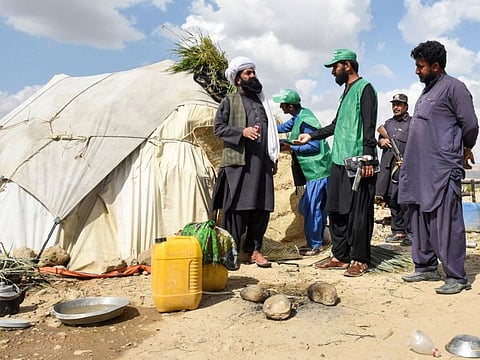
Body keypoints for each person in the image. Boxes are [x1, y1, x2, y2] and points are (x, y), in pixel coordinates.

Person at [399, 40, 479, 294]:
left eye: (420, 66)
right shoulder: (426, 92)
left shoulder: (454, 88)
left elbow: (470, 125)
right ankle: (425, 266)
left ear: (435, 66)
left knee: (446, 222)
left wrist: (465, 148)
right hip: (419, 169)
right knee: (420, 219)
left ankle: (456, 275)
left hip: (442, 168)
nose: (416, 71)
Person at [296, 49, 378, 277]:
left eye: (335, 67)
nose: (333, 72)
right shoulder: (346, 92)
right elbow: (336, 125)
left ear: (347, 66)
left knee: (359, 213)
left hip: (359, 161)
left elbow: (369, 124)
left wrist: (369, 157)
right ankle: (340, 256)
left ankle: (360, 259)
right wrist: (311, 136)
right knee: (337, 210)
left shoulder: (365, 89)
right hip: (339, 161)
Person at [211, 56, 280, 268]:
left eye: (253, 72)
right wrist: (242, 131)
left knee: (262, 207)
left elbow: (271, 134)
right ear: (238, 79)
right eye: (247, 73)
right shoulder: (229, 101)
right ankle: (230, 253)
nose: (252, 76)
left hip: (262, 164)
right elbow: (218, 128)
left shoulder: (263, 103)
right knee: (238, 209)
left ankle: (254, 251)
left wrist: (274, 154)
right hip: (239, 164)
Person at [273, 88, 332, 256]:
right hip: (314, 172)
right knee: (308, 207)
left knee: (313, 209)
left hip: (318, 171)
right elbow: (285, 126)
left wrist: (289, 147)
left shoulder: (306, 120)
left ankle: (315, 245)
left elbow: (313, 145)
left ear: (290, 106)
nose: (281, 108)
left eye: (282, 105)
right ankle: (320, 239)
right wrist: (269, 129)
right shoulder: (299, 115)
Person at [376, 93, 413, 246]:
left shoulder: (413, 123)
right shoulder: (388, 123)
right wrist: (382, 141)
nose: (396, 107)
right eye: (394, 104)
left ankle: (410, 233)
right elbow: (379, 140)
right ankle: (397, 232)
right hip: (388, 168)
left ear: (406, 106)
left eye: (399, 104)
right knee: (392, 199)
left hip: (406, 167)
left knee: (407, 201)